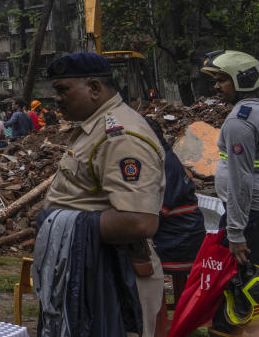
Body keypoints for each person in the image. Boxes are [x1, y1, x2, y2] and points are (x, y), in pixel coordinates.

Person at [39, 52, 166, 337]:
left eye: (62, 90)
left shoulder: (121, 137)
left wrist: (60, 225)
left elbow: (139, 222)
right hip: (90, 268)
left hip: (115, 275)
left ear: (94, 88)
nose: (56, 99)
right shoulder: (94, 128)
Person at [200, 51, 259, 298]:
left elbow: (241, 181)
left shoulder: (240, 121)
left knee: (251, 293)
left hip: (256, 218)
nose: (217, 86)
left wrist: (236, 233)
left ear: (242, 81)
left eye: (223, 79)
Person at [144, 118, 205, 299]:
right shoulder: (165, 157)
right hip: (181, 232)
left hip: (179, 238)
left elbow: (161, 208)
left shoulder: (165, 163)